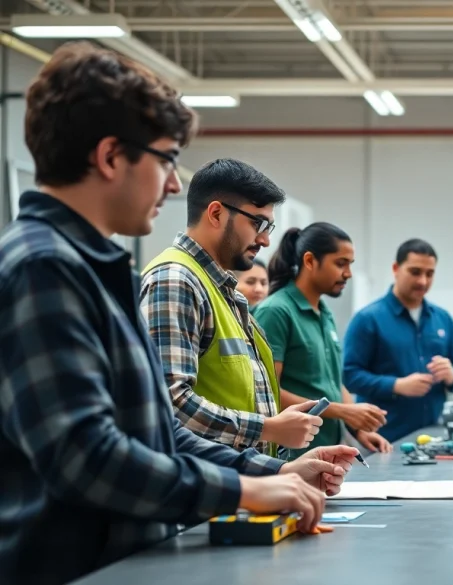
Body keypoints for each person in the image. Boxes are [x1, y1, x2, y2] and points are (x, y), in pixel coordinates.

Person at [0, 42, 357, 585]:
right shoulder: (43, 268)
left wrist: (272, 470)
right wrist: (244, 488)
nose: (172, 185)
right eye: (166, 159)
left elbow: (155, 431)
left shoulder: (91, 267)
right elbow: (88, 458)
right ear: (111, 156)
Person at [140, 158, 321, 456]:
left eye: (269, 227)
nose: (264, 239)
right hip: (207, 491)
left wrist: (280, 452)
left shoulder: (222, 289)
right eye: (257, 223)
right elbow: (169, 403)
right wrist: (269, 428)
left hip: (244, 486)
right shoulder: (176, 280)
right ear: (216, 213)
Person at [254, 224, 392, 458]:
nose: (348, 273)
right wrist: (342, 412)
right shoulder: (276, 311)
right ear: (310, 261)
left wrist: (357, 428)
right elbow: (268, 393)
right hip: (291, 457)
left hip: (327, 452)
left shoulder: (324, 312)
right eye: (340, 263)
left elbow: (332, 381)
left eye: (350, 264)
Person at [343, 239, 453, 442]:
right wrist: (396, 385)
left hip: (435, 437)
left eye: (429, 274)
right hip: (383, 439)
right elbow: (348, 375)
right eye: (415, 272)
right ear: (396, 268)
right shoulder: (368, 319)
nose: (423, 281)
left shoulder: (443, 319)